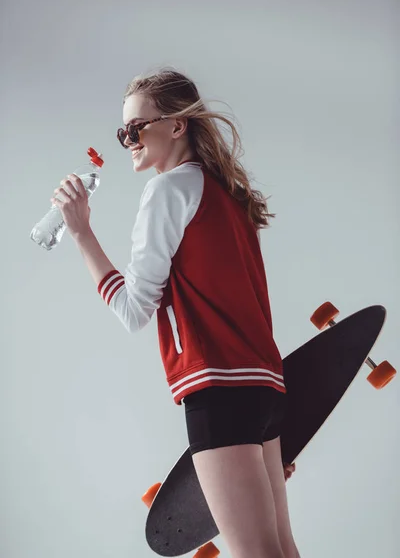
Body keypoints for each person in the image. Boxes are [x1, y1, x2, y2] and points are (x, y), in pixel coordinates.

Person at [51, 68, 300, 558]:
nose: (128, 141)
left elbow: (134, 310)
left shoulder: (168, 190)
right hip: (263, 387)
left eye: (136, 128)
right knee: (281, 551)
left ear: (177, 125)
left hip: (219, 390)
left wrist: (81, 234)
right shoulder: (226, 194)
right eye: (122, 132)